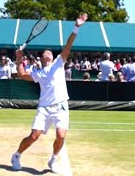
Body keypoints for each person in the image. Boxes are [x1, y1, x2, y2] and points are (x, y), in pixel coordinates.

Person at [11, 13, 88, 173]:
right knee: (34, 136)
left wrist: (76, 27)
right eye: (45, 52)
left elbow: (68, 46)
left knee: (61, 136)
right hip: (44, 107)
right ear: (42, 57)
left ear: (53, 57)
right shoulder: (39, 73)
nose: (48, 53)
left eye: (50, 52)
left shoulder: (59, 63)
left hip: (61, 106)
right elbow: (21, 75)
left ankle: (53, 159)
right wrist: (19, 59)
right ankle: (17, 155)